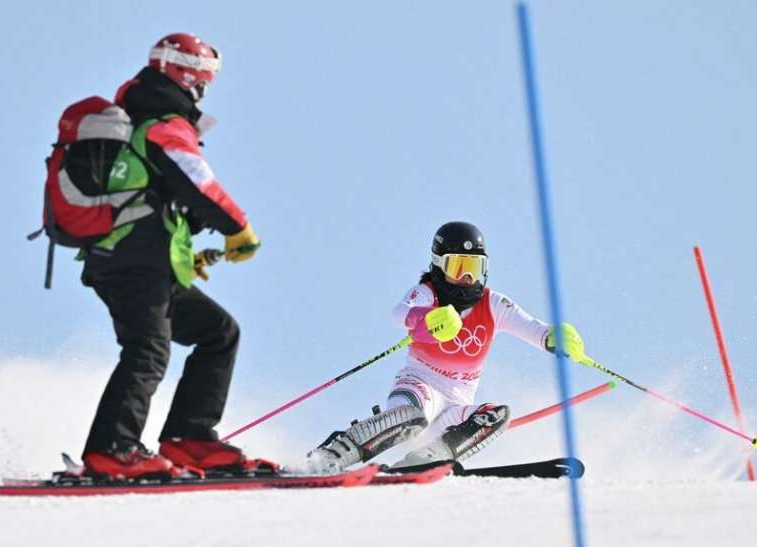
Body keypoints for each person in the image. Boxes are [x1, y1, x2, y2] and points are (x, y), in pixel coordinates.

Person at [80, 33, 262, 478]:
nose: (204, 88)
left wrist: (186, 256)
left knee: (218, 332)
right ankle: (113, 448)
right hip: (133, 264)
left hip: (144, 264)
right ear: (187, 76)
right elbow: (197, 183)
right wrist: (238, 227)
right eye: (204, 77)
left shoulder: (144, 122)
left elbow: (164, 203)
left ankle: (190, 439)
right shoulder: (162, 124)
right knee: (148, 350)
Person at [307, 221, 590, 471]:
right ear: (439, 264)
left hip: (456, 408)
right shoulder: (427, 293)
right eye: (459, 267)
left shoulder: (492, 303)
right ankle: (332, 456)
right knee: (413, 417)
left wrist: (556, 338)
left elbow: (534, 329)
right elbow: (400, 312)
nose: (468, 278)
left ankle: (424, 461)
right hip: (418, 388)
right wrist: (425, 320)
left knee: (497, 414)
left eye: (475, 268)